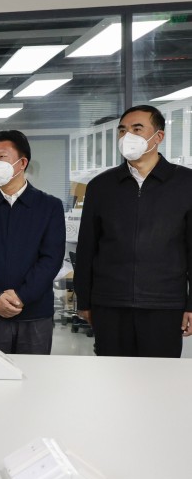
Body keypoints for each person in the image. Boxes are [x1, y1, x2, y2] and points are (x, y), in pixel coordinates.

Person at [75, 104, 192, 358]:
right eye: (122, 130)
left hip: (164, 304)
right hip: (109, 303)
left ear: (158, 136)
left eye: (137, 129)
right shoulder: (100, 186)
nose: (128, 136)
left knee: (159, 381)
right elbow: (87, 247)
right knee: (111, 381)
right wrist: (83, 300)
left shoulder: (185, 183)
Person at [0, 130, 65, 354]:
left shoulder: (49, 206)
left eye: (2, 157)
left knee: (34, 379)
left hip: (34, 315)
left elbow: (51, 259)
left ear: (22, 162)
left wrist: (21, 297)